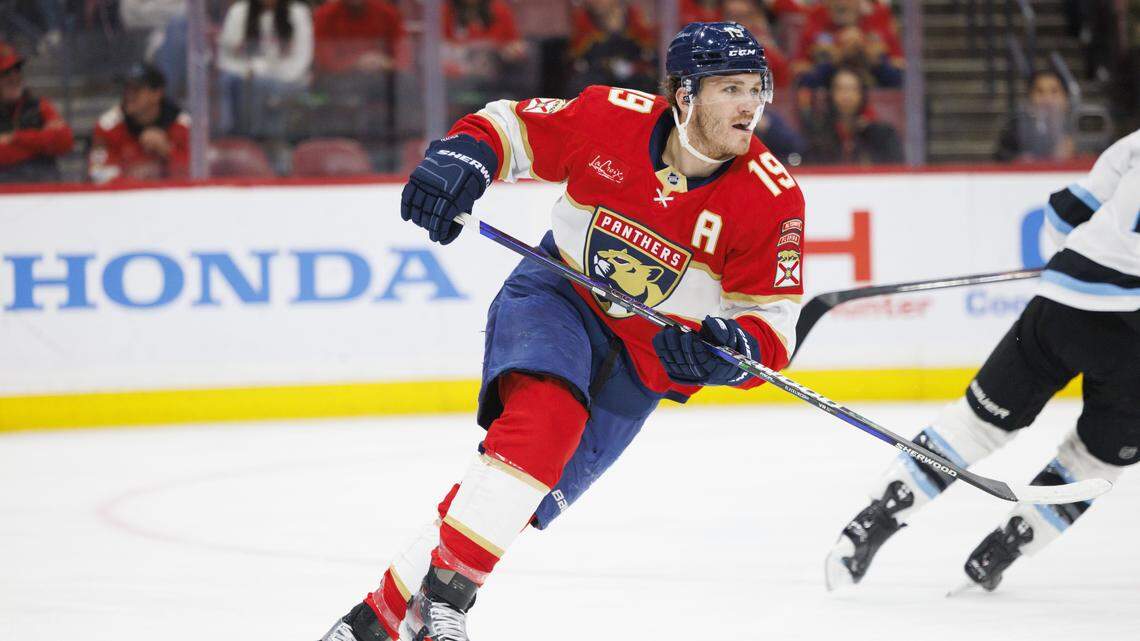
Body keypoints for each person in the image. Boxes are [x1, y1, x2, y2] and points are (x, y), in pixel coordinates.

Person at [319, 21, 806, 641]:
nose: (751, 105)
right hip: (559, 297)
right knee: (546, 423)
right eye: (731, 88)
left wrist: (727, 351)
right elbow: (509, 126)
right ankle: (447, 609)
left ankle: (375, 621)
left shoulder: (772, 199)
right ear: (684, 95)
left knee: (517, 489)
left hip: (645, 364)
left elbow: (773, 329)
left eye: (755, 88)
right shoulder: (611, 117)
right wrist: (466, 155)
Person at [825, 129, 1140, 593]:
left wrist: (1080, 257)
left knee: (976, 423)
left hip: (1067, 304)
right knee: (1095, 458)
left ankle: (872, 522)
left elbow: (1060, 217)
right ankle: (1006, 547)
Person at [216, 0, 313, 138]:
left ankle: (270, 141)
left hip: (287, 83)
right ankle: (240, 139)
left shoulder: (298, 12)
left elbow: (301, 61)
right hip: (247, 82)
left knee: (263, 88)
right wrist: (252, 70)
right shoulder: (239, 11)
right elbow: (225, 59)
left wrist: (268, 73)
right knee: (231, 82)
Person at [88, 62, 190, 184]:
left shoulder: (184, 125)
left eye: (136, 89)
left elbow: (200, 172)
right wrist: (136, 178)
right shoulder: (107, 126)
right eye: (126, 88)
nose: (128, 95)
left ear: (157, 94)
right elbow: (99, 174)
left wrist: (167, 150)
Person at [0, 42, 73, 183]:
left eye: (17, 70)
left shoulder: (39, 105)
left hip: (42, 188)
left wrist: (15, 138)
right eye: (6, 73)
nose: (14, 78)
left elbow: (64, 140)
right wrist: (39, 144)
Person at [801, 65, 902, 164]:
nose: (847, 95)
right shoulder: (818, 133)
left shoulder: (882, 134)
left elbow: (895, 169)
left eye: (853, 89)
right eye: (840, 89)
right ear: (831, 94)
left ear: (862, 94)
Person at [792, 0, 904, 89]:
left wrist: (864, 49)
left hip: (874, 94)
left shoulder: (879, 16)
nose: (841, 3)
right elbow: (797, 73)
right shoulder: (815, 16)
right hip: (825, 98)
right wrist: (838, 53)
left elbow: (900, 70)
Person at [567, 0, 657, 95]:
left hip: (633, 82)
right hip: (597, 81)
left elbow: (649, 56)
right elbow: (577, 61)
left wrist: (633, 68)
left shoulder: (635, 19)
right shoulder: (583, 22)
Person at [994, 69, 1076, 163]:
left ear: (1065, 98)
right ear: (1030, 97)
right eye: (1040, 92)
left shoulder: (1078, 128)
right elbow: (1001, 156)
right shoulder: (1015, 126)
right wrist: (1018, 160)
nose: (1047, 99)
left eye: (1054, 91)